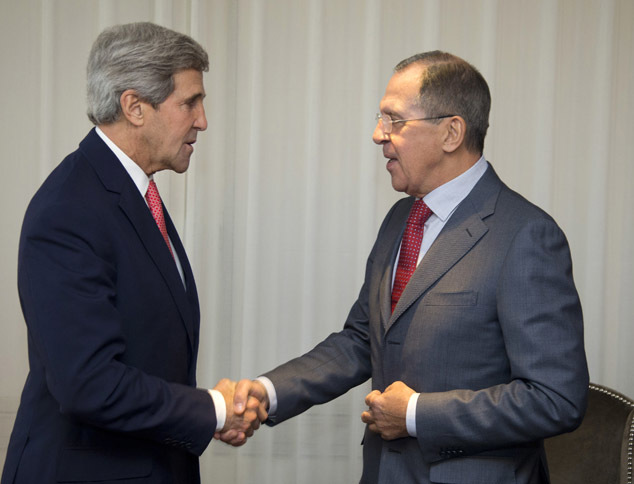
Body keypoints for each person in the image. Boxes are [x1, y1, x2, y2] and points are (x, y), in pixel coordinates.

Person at [230, 51, 589, 483]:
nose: (378, 135)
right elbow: (363, 340)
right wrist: (267, 392)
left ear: (451, 132)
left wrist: (418, 414)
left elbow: (555, 398)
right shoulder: (402, 218)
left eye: (394, 120)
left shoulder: (526, 235)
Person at [1, 22, 261, 484]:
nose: (202, 120)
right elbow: (89, 384)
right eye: (190, 102)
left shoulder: (130, 194)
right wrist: (214, 408)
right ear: (134, 107)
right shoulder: (69, 209)